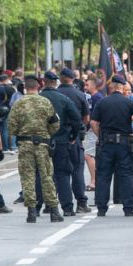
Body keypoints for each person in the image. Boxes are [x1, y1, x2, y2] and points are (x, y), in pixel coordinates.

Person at [8, 76, 63, 223]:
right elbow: (55, 123)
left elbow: (11, 127)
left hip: (25, 145)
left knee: (28, 178)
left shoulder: (19, 103)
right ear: (38, 87)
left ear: (25, 87)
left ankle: (31, 212)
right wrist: (46, 133)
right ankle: (54, 211)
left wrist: (22, 133)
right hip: (43, 145)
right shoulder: (45, 102)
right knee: (47, 177)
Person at [90, 75, 133, 217]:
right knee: (126, 175)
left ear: (112, 86)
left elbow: (93, 122)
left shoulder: (102, 102)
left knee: (103, 175)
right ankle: (128, 208)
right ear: (123, 87)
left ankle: (101, 208)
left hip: (106, 143)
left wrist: (99, 136)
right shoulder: (129, 102)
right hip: (125, 143)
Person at [41, 72, 83, 216]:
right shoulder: (63, 99)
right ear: (55, 83)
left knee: (41, 174)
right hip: (61, 141)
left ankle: (39, 207)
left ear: (43, 82)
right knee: (62, 174)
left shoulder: (36, 99)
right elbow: (77, 119)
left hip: (39, 141)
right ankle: (67, 208)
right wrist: (73, 135)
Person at [58, 68, 91, 212]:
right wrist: (80, 128)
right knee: (77, 169)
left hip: (56, 137)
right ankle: (81, 203)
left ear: (61, 78)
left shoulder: (54, 94)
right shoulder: (79, 95)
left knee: (60, 172)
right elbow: (86, 117)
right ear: (73, 78)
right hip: (74, 136)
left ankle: (63, 206)